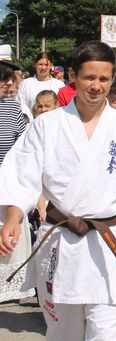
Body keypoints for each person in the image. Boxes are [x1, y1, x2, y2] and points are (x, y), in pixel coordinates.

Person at [0, 40, 116, 339]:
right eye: (89, 77)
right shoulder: (47, 124)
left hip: (110, 246)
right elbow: (22, 175)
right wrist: (13, 217)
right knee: (61, 333)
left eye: (104, 78)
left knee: (107, 334)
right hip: (61, 244)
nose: (96, 86)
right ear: (73, 76)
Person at [0, 47, 35, 304]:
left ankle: (8, 286)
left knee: (9, 236)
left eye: (9, 78)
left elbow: (23, 148)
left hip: (8, 181)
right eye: (3, 78)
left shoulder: (13, 109)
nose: (8, 83)